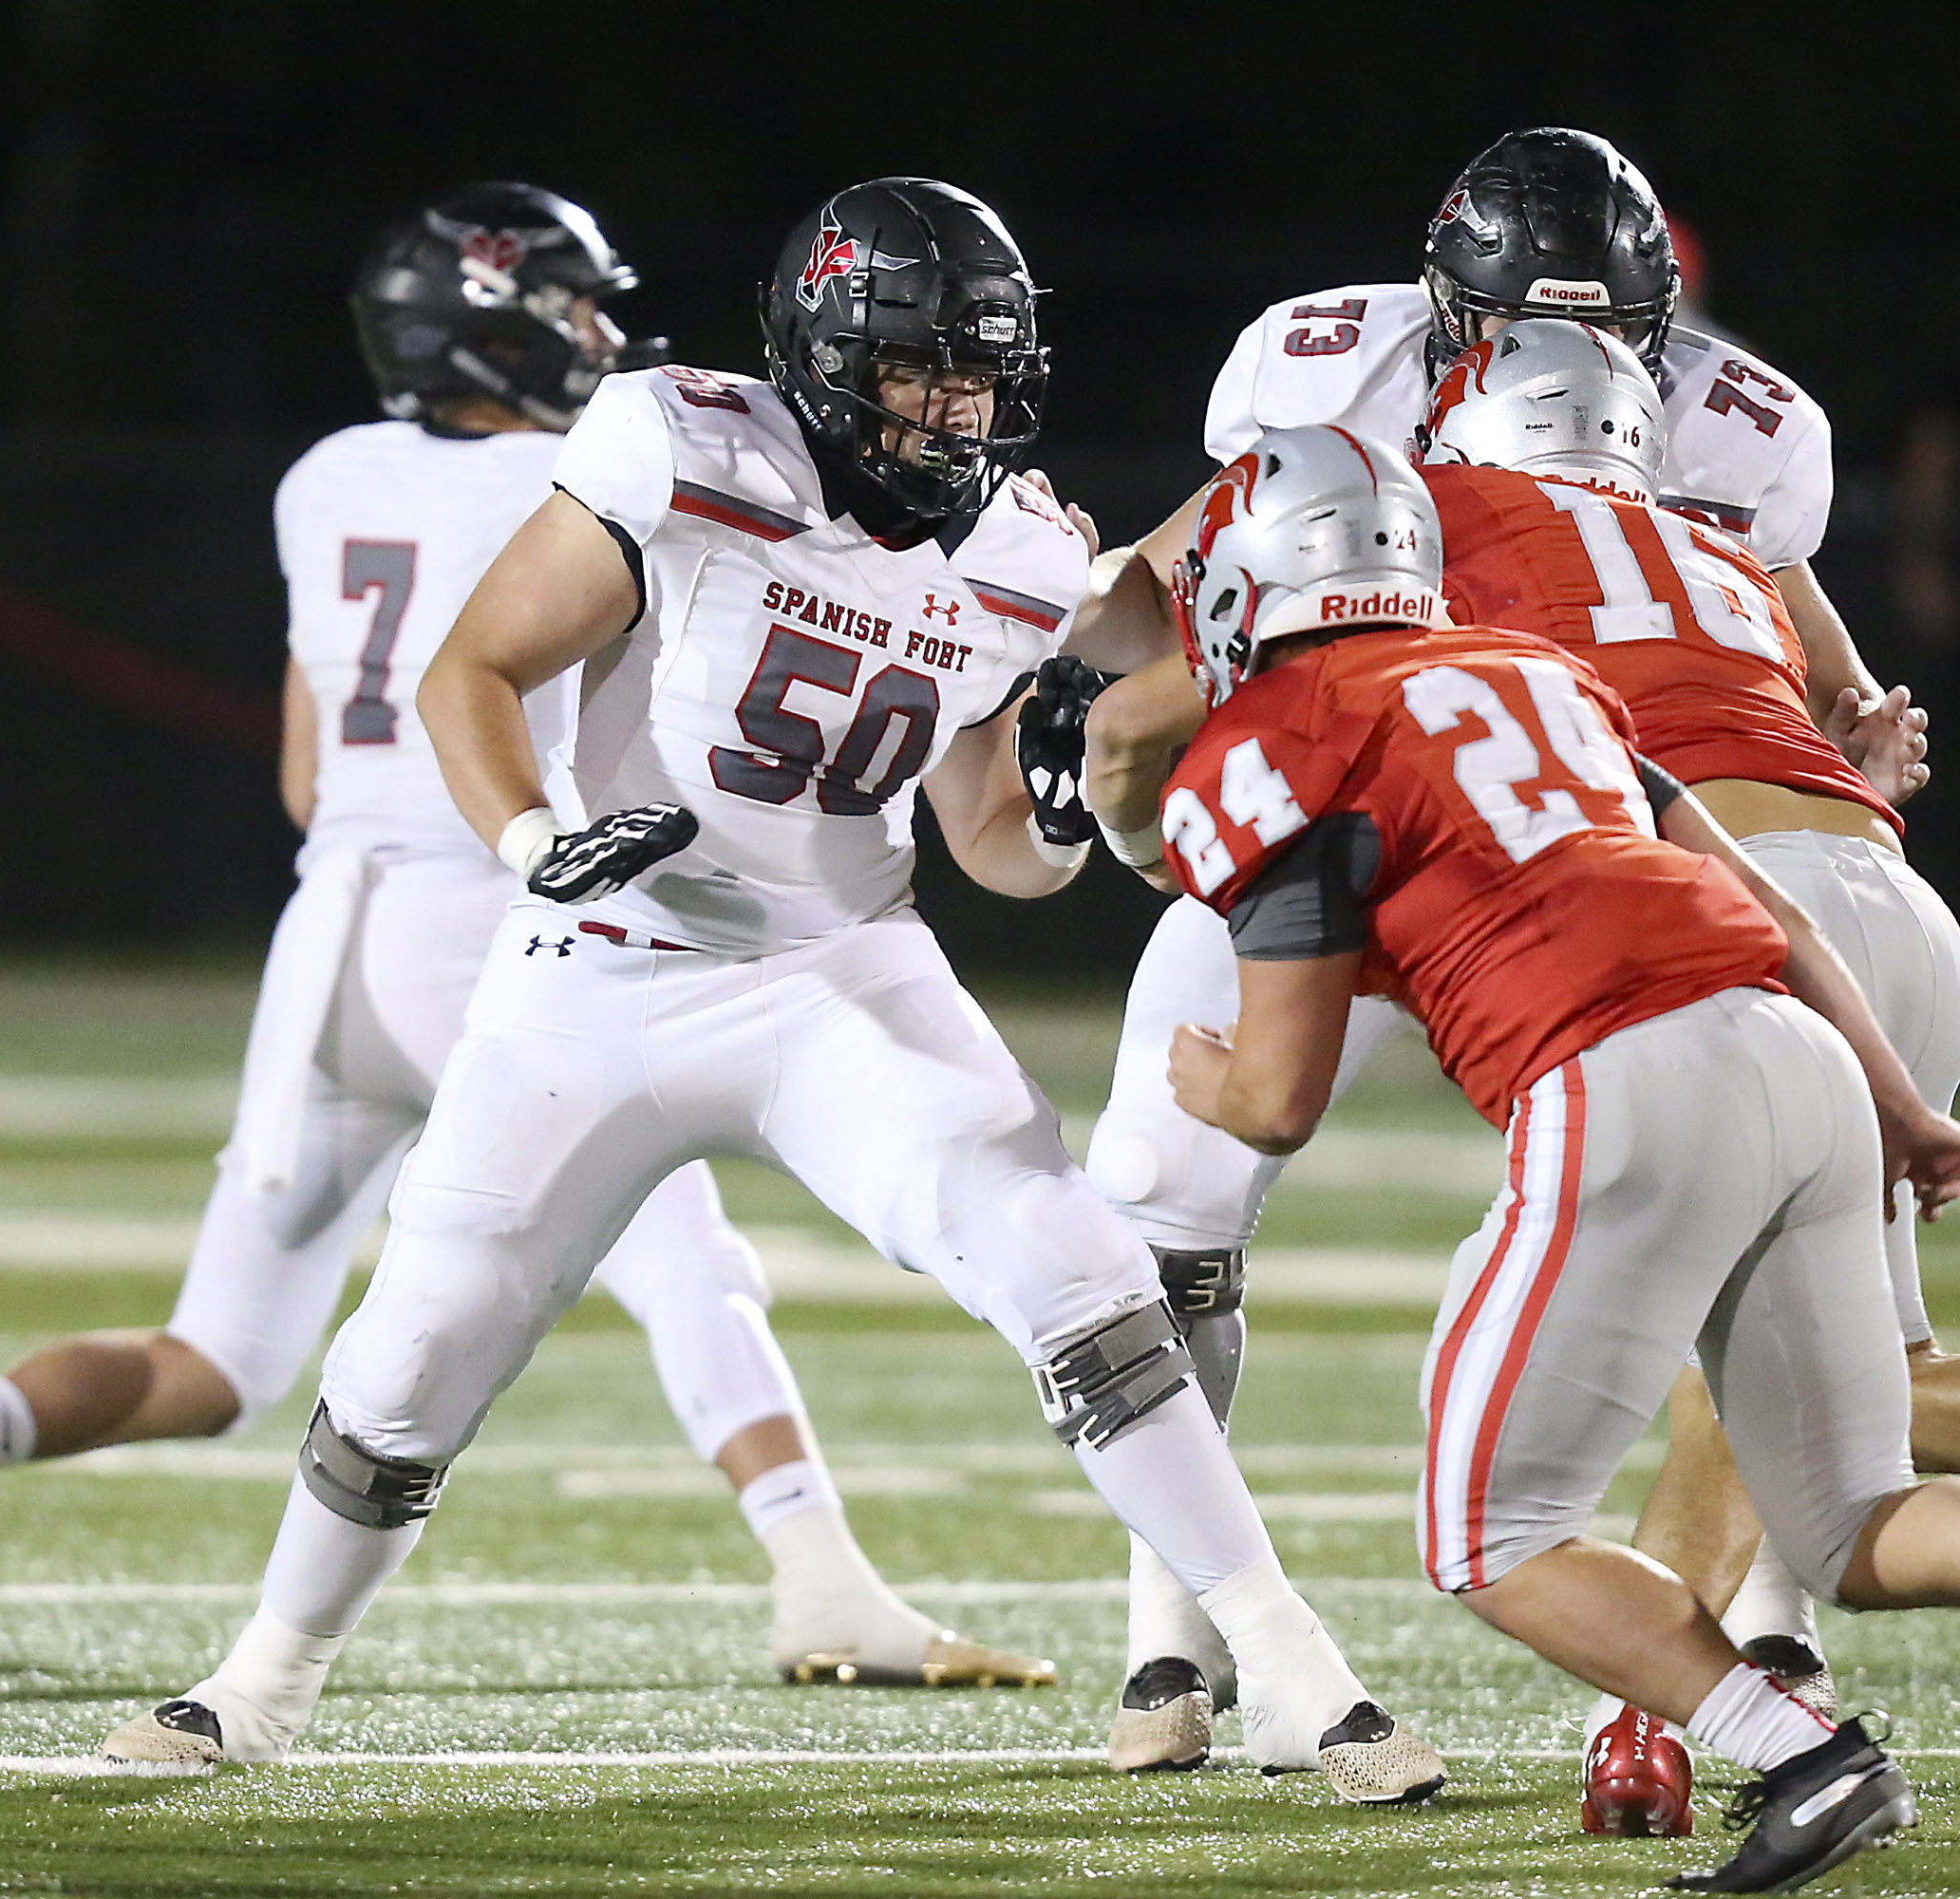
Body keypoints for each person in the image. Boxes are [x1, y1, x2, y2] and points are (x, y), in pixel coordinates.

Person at [97, 177, 1446, 1803]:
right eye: (917, 369)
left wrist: (1083, 826)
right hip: (601, 966)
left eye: (978, 370)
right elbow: (472, 668)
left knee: (1074, 1264)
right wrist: (535, 839)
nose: (954, 405)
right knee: (415, 1346)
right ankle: (260, 1680)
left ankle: (1296, 1669)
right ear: (822, 355)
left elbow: (989, 840)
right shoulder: (684, 447)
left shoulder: (1021, 549)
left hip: (835, 970)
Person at [0, 183, 1051, 1691]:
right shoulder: (630, 467)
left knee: (223, 1362)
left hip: (334, 933)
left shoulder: (324, 478)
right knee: (686, 1257)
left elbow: (305, 770)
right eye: (575, 311)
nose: (601, 342)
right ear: (500, 320)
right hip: (519, 902)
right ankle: (825, 1583)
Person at [1102, 423, 1960, 1891]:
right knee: (1849, 1516)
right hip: (1804, 1065)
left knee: (1490, 1536)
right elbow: (1775, 913)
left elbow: (1282, 1096)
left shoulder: (1269, 744)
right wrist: (1906, 1107)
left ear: (1245, 584)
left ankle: (1806, 1758)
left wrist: (1207, 1081)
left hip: (1624, 1081)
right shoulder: (1543, 675)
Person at [1054, 126, 1936, 1770]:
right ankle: (1176, 1638)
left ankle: (1769, 1629)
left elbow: (1807, 651)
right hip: (1357, 800)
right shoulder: (1337, 369)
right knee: (1163, 1190)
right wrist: (1056, 630)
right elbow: (1168, 577)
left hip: (1579, 838)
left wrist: (1846, 723)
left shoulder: (1734, 423)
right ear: (1443, 310)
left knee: (1723, 1196)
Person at [1406, 321, 1960, 1827]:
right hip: (1882, 902)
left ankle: (1665, 1720)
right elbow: (1841, 732)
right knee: (1866, 1386)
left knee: (1745, 1381)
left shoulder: (1453, 522)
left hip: (1743, 917)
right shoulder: (1721, 553)